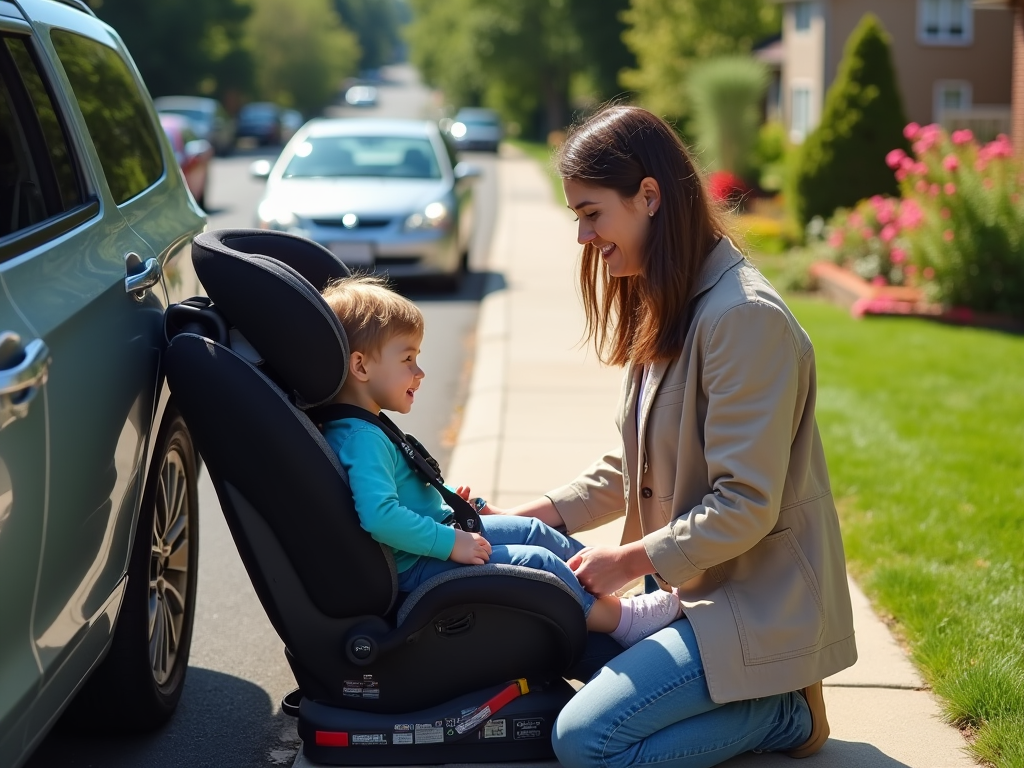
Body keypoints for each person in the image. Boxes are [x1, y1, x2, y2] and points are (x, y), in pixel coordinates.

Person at [478, 105, 858, 767]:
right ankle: (699, 693)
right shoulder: (672, 299)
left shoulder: (744, 319)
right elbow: (635, 466)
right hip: (682, 597)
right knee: (530, 574)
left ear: (648, 196)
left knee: (585, 741)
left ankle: (782, 711)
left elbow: (745, 503)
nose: (583, 237)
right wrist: (521, 517)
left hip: (747, 607)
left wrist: (628, 563)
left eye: (592, 214)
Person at [319, 273, 685, 647]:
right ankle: (623, 621)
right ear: (361, 367)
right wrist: (450, 543)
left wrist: (450, 498)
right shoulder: (361, 438)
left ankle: (610, 598)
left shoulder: (365, 425)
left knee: (535, 532)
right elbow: (380, 516)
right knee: (537, 564)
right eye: (408, 358)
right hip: (418, 562)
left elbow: (405, 481)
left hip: (435, 534)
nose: (419, 372)